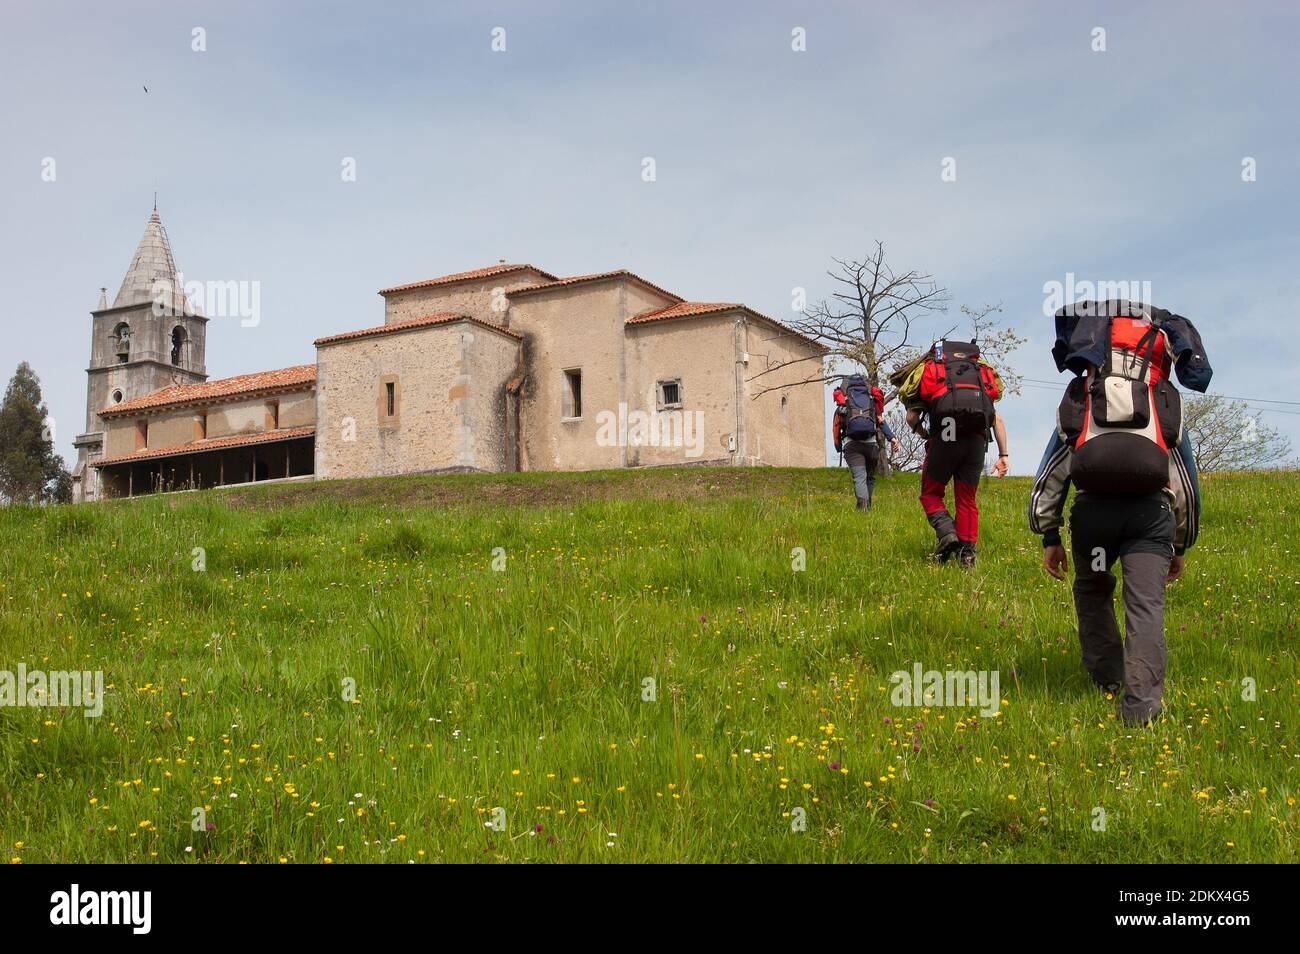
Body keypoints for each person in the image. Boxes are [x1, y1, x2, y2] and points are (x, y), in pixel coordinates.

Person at [1029, 303, 1205, 726]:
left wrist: (1048, 535)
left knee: (1093, 590)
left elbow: (1053, 471)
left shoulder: (1079, 397)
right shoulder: (1163, 400)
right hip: (1150, 517)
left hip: (1094, 521)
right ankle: (1140, 711)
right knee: (1145, 606)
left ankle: (1108, 682)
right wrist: (1180, 542)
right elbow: (1185, 481)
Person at [904, 342, 1008, 567]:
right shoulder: (979, 375)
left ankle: (947, 533)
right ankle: (967, 555)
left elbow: (911, 417)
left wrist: (924, 434)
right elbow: (996, 419)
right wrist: (1004, 455)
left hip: (944, 439)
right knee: (967, 499)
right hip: (976, 442)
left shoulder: (934, 371)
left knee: (931, 494)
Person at [832, 374, 900, 510]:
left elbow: (836, 427)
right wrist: (892, 438)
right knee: (869, 477)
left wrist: (839, 446)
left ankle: (862, 508)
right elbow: (881, 421)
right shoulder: (871, 402)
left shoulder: (843, 404)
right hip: (871, 446)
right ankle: (867, 508)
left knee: (859, 477)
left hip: (852, 446)